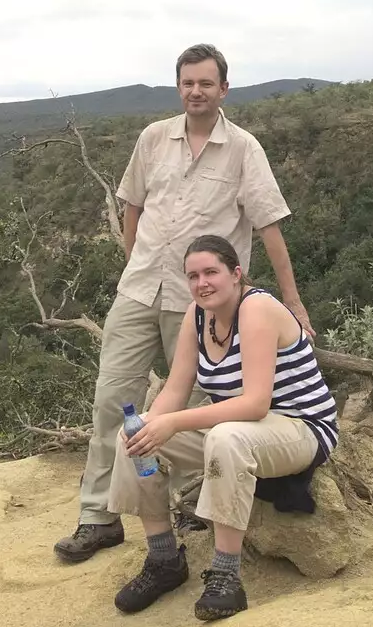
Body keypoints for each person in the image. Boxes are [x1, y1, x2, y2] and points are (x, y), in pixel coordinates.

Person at [54, 44, 313, 564]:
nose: (196, 91)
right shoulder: (153, 138)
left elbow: (268, 225)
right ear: (179, 87)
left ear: (223, 89)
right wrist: (133, 262)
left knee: (203, 404)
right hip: (140, 288)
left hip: (198, 301)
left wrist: (293, 299)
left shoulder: (244, 149)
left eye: (206, 83)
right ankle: (98, 517)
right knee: (113, 401)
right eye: (187, 83)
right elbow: (133, 204)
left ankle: (196, 503)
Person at [105, 234, 339, 621]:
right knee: (134, 434)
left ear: (236, 273)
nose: (202, 283)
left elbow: (255, 402)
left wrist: (174, 423)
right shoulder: (197, 317)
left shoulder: (257, 308)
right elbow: (176, 389)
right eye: (193, 276)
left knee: (226, 437)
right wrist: (150, 426)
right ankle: (163, 559)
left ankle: (226, 577)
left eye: (211, 272)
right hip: (250, 429)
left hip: (302, 427)